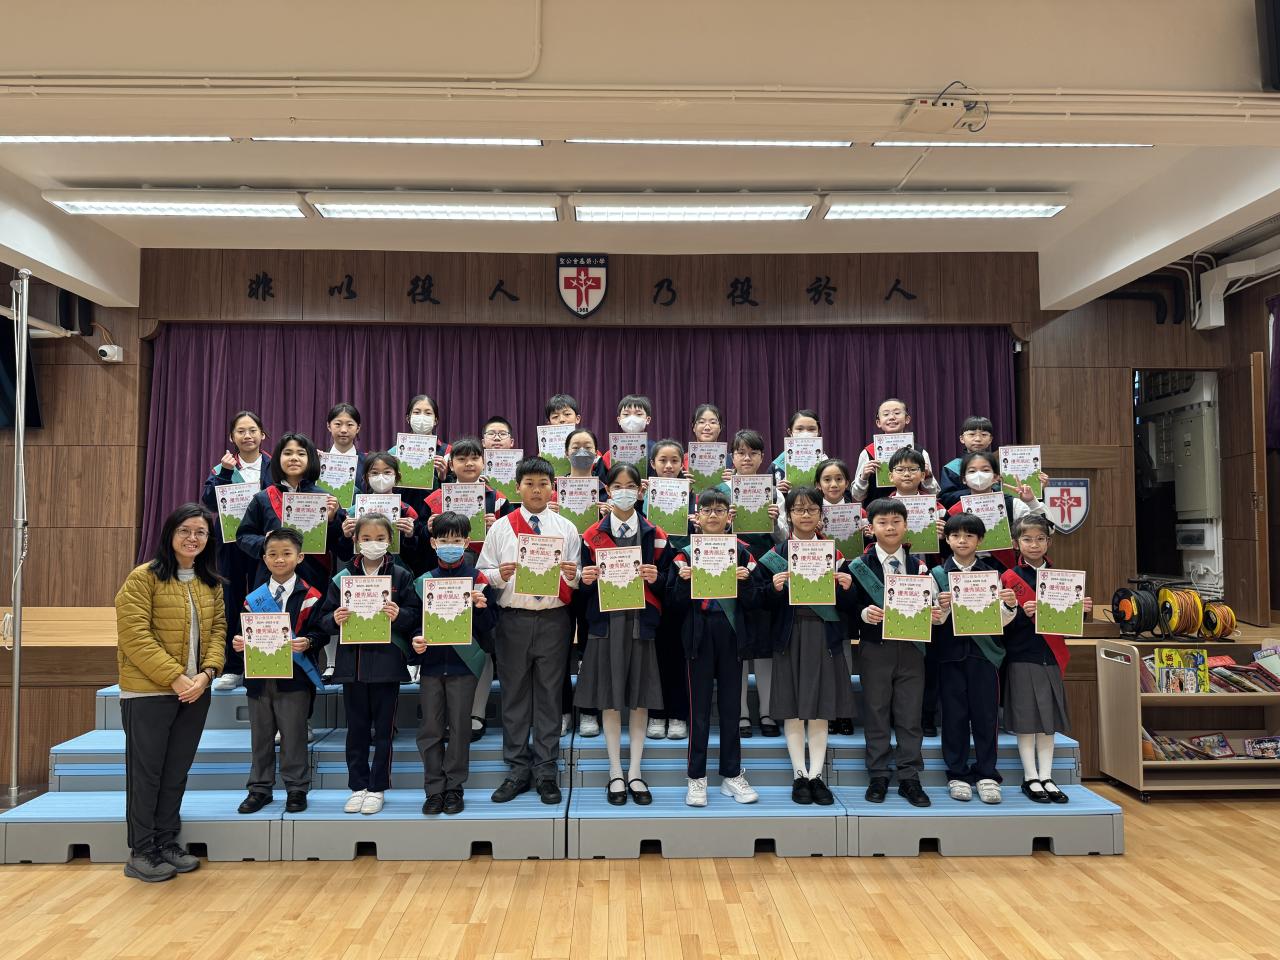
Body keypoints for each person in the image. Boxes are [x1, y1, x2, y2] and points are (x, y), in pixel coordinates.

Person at [114, 503, 225, 882]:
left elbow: (218, 633)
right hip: (149, 693)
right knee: (146, 774)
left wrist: (207, 675)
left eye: (201, 532)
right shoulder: (143, 578)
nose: (193, 538)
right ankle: (141, 851)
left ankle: (166, 842)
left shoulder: (210, 582)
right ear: (170, 534)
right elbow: (134, 635)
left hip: (195, 691)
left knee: (176, 772)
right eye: (185, 531)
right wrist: (176, 677)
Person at [477, 456, 582, 804]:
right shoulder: (501, 528)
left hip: (554, 619)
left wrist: (572, 575)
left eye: (543, 484)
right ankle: (518, 768)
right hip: (513, 620)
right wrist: (500, 575)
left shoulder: (566, 528)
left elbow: (577, 578)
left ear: (553, 489)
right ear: (517, 488)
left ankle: (546, 770)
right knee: (514, 695)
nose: (537, 490)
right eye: (530, 484)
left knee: (550, 695)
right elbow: (483, 573)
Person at [754, 487, 859, 805]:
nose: (806, 515)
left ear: (820, 515)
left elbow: (849, 605)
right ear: (788, 516)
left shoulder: (835, 554)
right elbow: (757, 600)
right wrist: (773, 589)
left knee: (820, 709)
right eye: (798, 510)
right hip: (790, 636)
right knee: (793, 709)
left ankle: (817, 776)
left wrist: (848, 588)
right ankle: (799, 774)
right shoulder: (775, 555)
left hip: (825, 636)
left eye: (812, 509)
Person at [315, 514, 422, 816]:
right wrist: (334, 619)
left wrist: (399, 615)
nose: (373, 543)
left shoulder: (401, 575)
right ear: (355, 540)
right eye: (366, 538)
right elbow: (322, 620)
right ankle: (357, 786)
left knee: (385, 732)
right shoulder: (342, 577)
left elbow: (415, 616)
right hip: (352, 664)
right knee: (357, 730)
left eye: (379, 538)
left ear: (390, 540)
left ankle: (377, 788)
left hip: (387, 663)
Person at [575, 463, 668, 805]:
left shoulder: (657, 534)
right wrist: (585, 581)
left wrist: (657, 578)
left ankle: (636, 771)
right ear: (608, 490)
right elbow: (581, 588)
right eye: (618, 486)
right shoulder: (590, 535)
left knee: (640, 698)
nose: (624, 492)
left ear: (641, 491)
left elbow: (671, 585)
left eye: (631, 486)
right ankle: (615, 771)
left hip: (641, 623)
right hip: (605, 624)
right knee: (610, 699)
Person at [669, 488, 763, 806]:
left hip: (731, 633)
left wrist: (745, 582)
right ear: (696, 516)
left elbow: (756, 601)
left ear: (729, 516)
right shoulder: (683, 554)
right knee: (698, 711)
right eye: (706, 510)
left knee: (731, 709)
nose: (713, 515)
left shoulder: (744, 553)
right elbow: (673, 603)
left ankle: (731, 775)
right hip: (698, 634)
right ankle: (696, 778)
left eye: (719, 510)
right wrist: (683, 582)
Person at [848, 498, 945, 808]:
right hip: (875, 648)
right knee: (876, 711)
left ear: (906, 526)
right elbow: (847, 607)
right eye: (882, 522)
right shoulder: (859, 566)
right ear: (870, 528)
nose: (890, 527)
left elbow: (934, 608)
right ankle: (878, 774)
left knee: (909, 714)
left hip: (913, 648)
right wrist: (863, 614)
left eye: (896, 522)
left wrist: (937, 614)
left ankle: (909, 776)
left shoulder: (920, 566)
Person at [410, 511, 499, 816]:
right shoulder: (423, 581)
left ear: (467, 542)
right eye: (444, 540)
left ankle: (454, 788)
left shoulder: (479, 579)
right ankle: (434, 789)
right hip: (432, 665)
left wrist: (481, 607)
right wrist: (416, 639)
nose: (451, 545)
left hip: (464, 666)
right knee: (431, 729)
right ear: (433, 543)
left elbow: (490, 625)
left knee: (460, 728)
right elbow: (414, 622)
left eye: (457, 540)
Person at [231, 528, 326, 816]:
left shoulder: (311, 596)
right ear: (264, 559)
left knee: (293, 735)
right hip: (259, 678)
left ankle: (296, 788)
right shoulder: (253, 598)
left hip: (295, 679)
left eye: (286, 553)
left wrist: (308, 642)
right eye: (272, 554)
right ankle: (259, 788)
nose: (279, 559)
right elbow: (243, 633)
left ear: (300, 557)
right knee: (260, 736)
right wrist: (239, 643)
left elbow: (321, 632)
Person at [1001, 515, 1093, 804]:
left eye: (1040, 539)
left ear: (1049, 542)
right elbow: (1000, 626)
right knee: (1026, 719)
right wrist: (1020, 613)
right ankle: (1031, 776)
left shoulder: (1061, 578)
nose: (1034, 544)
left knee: (1048, 720)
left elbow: (1069, 624)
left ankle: (1047, 776)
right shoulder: (1009, 578)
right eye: (1027, 539)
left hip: (1051, 655)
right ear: (1016, 544)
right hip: (1022, 654)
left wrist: (1083, 611)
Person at [930, 513, 1017, 804]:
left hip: (984, 655)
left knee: (986, 715)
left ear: (980, 540)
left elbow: (1002, 620)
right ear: (947, 539)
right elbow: (933, 620)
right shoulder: (936, 575)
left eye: (969, 536)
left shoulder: (993, 573)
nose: (962, 541)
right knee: (953, 716)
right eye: (956, 535)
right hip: (949, 655)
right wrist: (941, 607)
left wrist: (1010, 606)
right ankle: (956, 773)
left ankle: (987, 773)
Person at [202, 410, 271, 692]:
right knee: (231, 603)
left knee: (262, 601)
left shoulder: (274, 465)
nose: (247, 436)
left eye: (252, 430)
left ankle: (263, 662)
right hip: (230, 545)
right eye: (241, 431)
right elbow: (208, 502)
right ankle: (232, 667)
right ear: (232, 437)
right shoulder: (223, 468)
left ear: (262, 434)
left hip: (263, 545)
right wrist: (226, 473)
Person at [236, 432, 346, 592]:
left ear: (311, 459)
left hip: (314, 579)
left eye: (301, 453)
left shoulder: (327, 499)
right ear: (278, 459)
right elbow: (243, 536)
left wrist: (332, 521)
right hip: (270, 578)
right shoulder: (263, 498)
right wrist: (265, 542)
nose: (294, 458)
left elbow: (343, 549)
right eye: (287, 453)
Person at [729, 428, 785, 739]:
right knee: (737, 644)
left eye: (752, 453)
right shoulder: (721, 490)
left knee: (764, 643)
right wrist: (727, 523)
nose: (746, 458)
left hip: (764, 570)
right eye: (741, 452)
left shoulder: (774, 492)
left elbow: (785, 538)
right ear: (732, 457)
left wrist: (775, 521)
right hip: (731, 569)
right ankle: (740, 713)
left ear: (762, 457)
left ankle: (766, 711)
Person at [944, 450, 1046, 571]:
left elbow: (1045, 529)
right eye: (972, 471)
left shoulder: (1012, 504)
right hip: (965, 569)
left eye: (985, 470)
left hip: (1005, 568)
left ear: (996, 477)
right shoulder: (954, 511)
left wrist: (1031, 501)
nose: (979, 475)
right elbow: (946, 549)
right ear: (964, 479)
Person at [851, 398, 939, 504]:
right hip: (878, 511)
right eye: (886, 414)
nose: (892, 417)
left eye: (897, 413)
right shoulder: (867, 453)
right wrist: (863, 478)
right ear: (878, 422)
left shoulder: (920, 452)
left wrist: (928, 476)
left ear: (907, 419)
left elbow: (934, 493)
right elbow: (857, 496)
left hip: (912, 509)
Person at [939, 416, 995, 508]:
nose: (978, 439)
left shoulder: (998, 465)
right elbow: (946, 499)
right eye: (972, 434)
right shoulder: (952, 467)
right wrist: (976, 492)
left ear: (990, 439)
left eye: (984, 434)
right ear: (962, 439)